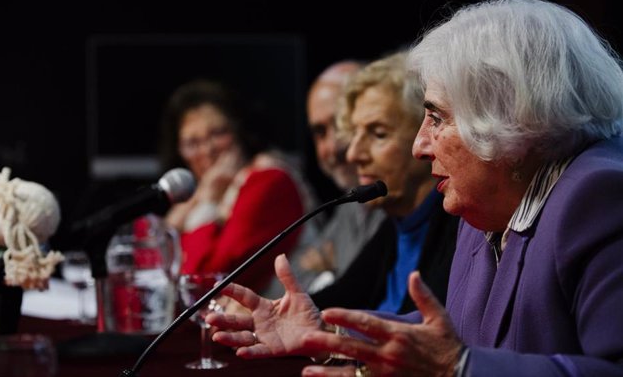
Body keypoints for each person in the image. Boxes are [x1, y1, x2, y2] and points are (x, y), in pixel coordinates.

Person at [207, 0, 623, 377]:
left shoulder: (599, 197)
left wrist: (459, 368)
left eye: (437, 118)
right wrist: (331, 333)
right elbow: (448, 336)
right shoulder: (485, 208)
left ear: (511, 120)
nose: (420, 145)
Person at [310, 53, 457, 312]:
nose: (354, 154)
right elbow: (337, 300)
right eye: (354, 134)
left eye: (378, 134)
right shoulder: (395, 227)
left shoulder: (458, 228)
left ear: (425, 138)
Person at [159, 79, 312, 292]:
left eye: (218, 133)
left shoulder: (270, 182)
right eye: (192, 143)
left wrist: (210, 199)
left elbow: (204, 282)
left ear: (240, 130)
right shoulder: (189, 201)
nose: (207, 150)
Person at [265, 60, 386, 296]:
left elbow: (362, 296)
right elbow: (283, 282)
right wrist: (328, 275)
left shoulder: (399, 202)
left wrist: (330, 275)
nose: (333, 146)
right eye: (320, 132)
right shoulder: (348, 206)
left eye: (343, 123)